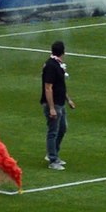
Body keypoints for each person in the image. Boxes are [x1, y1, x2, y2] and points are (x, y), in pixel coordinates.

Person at [40, 40, 75, 170]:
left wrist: (68, 99)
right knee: (53, 131)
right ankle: (52, 159)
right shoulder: (51, 66)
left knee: (63, 128)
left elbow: (60, 86)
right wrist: (52, 108)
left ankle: (53, 153)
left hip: (60, 102)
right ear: (63, 52)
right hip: (54, 104)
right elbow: (48, 88)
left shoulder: (56, 64)